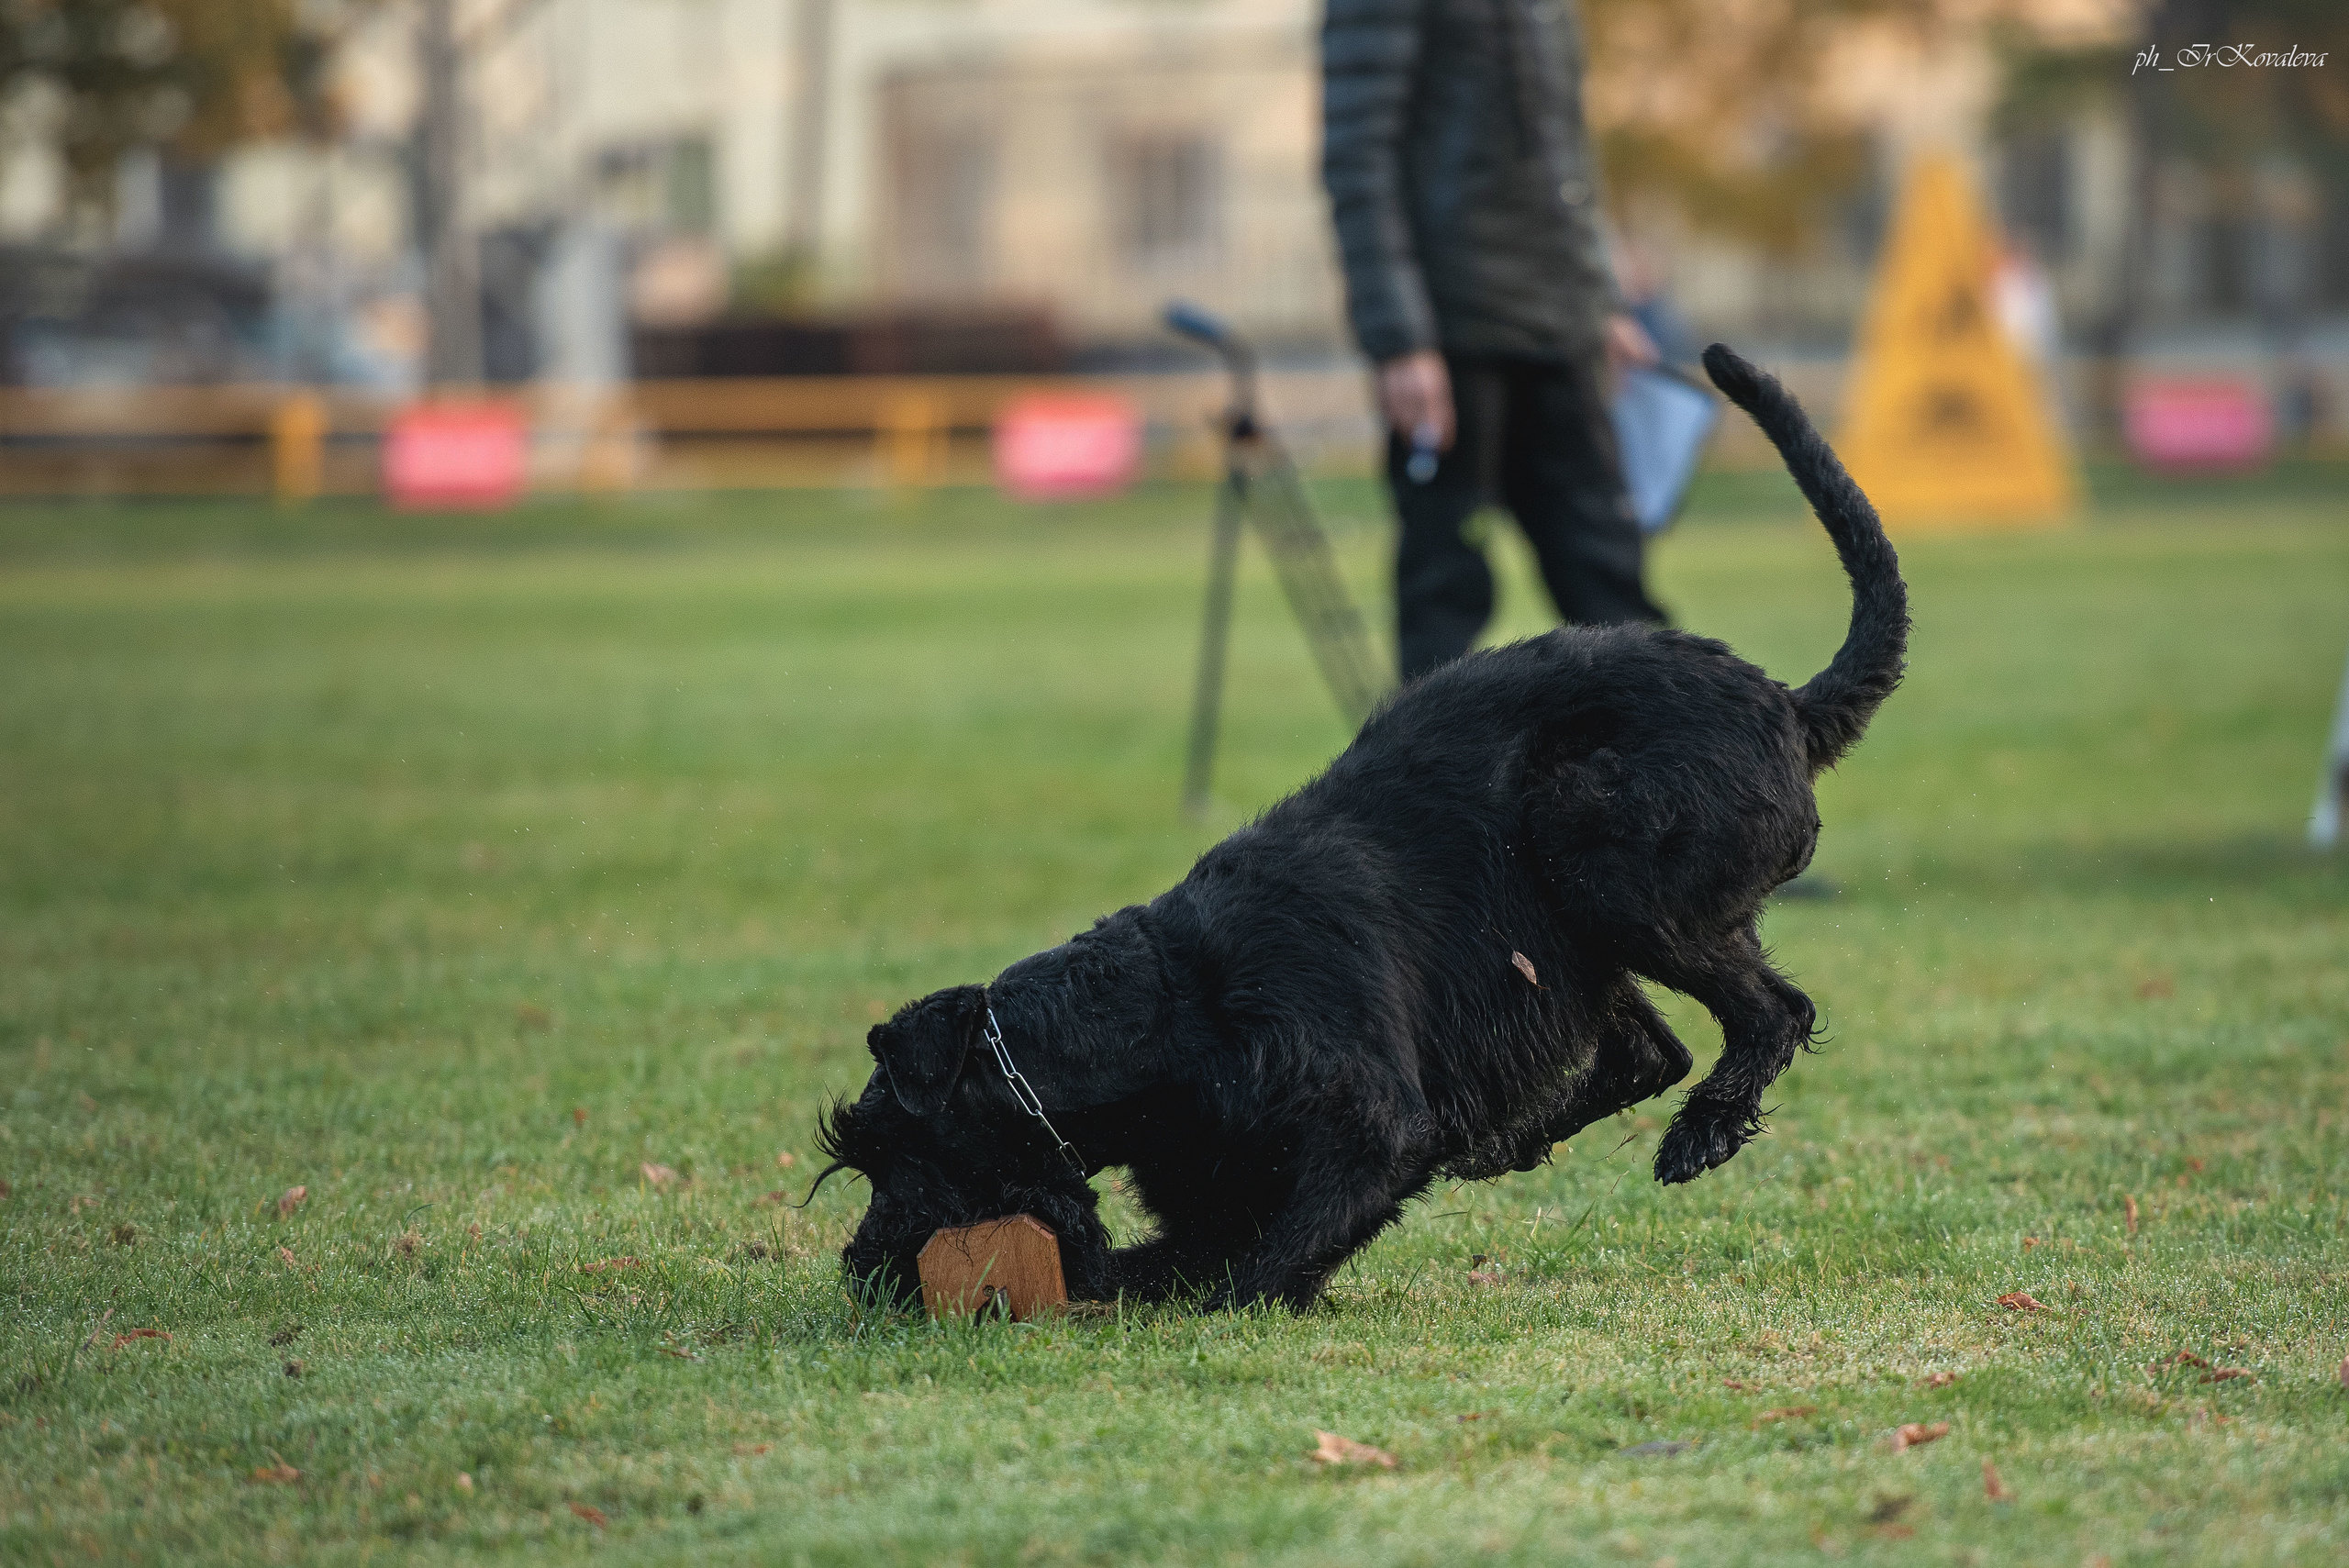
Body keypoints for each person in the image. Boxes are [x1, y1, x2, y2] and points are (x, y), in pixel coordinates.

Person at [1322, 0, 1666, 682]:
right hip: (1451, 338)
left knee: (1612, 583)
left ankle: (1686, 776)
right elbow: (1358, 155)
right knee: (1444, 602)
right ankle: (1424, 788)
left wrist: (1600, 299)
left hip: (1559, 325)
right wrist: (1400, 339)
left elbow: (1564, 152)